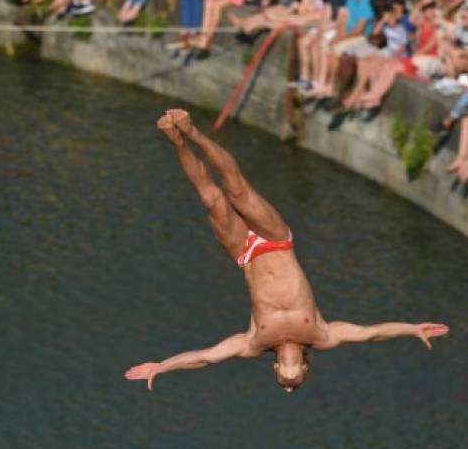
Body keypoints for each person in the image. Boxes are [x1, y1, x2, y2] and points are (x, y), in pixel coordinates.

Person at [125, 110, 449, 392]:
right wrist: (412, 329)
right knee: (238, 190)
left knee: (212, 199)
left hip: (245, 254)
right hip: (277, 240)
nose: (288, 373)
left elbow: (204, 358)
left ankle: (177, 140)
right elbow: (372, 334)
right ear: (305, 367)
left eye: (283, 376)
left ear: (275, 368)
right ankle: (193, 130)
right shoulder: (322, 335)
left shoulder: (254, 344)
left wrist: (162, 367)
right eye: (294, 376)